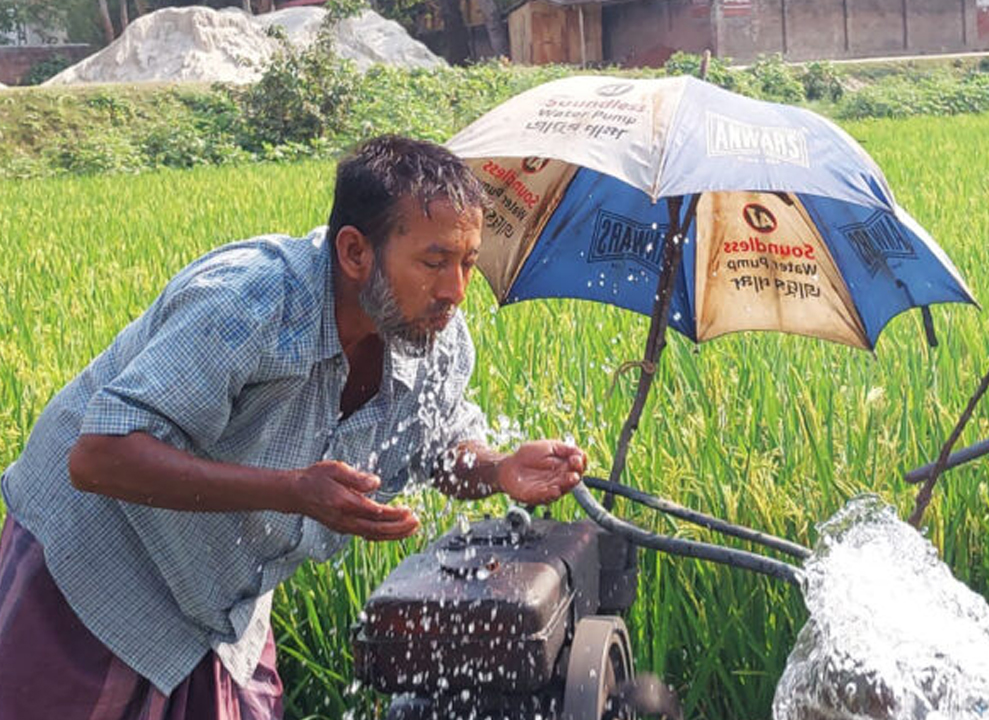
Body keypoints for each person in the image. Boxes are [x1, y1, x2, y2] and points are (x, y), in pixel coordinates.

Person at [0, 135, 587, 719]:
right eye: (434, 263)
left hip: (221, 603)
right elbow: (100, 457)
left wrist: (499, 469)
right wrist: (292, 491)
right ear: (355, 253)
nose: (455, 291)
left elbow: (440, 448)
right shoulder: (248, 303)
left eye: (467, 262)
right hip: (93, 570)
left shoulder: (434, 336)